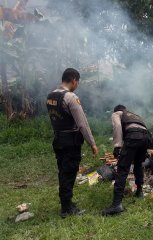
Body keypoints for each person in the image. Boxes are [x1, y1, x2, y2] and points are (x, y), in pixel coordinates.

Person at [46, 68, 98, 218]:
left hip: (58, 140)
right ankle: (67, 208)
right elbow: (82, 124)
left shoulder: (51, 96)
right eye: (78, 82)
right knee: (68, 173)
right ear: (73, 80)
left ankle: (66, 203)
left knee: (63, 172)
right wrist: (92, 143)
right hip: (71, 142)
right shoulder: (70, 97)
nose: (78, 85)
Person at [102, 104, 151, 216]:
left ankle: (117, 205)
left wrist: (117, 146)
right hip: (147, 137)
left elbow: (117, 127)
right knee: (138, 165)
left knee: (122, 168)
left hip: (134, 136)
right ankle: (139, 191)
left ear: (117, 110)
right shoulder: (133, 114)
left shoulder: (117, 113)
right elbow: (143, 129)